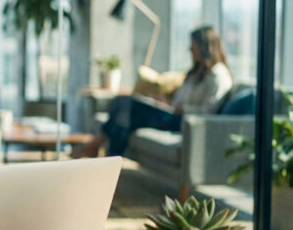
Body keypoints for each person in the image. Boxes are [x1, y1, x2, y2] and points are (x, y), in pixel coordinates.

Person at [75, 26, 233, 157]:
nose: (190, 49)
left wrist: (181, 109)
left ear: (205, 46)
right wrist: (166, 102)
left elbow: (210, 111)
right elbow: (180, 99)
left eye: (193, 46)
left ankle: (96, 147)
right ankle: (109, 162)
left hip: (182, 122)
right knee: (124, 118)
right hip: (171, 113)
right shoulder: (196, 71)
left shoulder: (218, 75)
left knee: (124, 103)